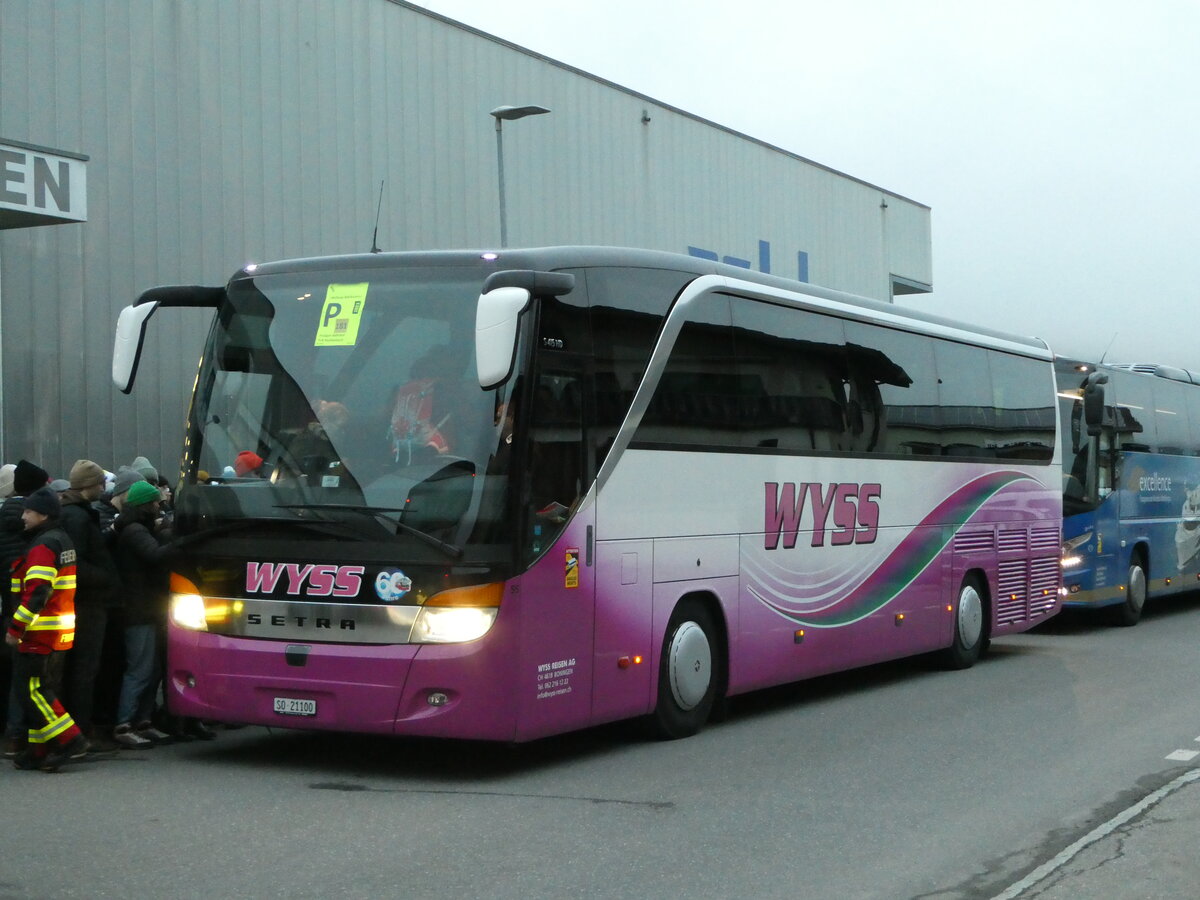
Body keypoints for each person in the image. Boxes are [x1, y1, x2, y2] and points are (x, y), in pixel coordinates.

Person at [7, 486, 89, 771]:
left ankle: (70, 739)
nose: (24, 517)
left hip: (39, 631)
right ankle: (38, 749)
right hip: (58, 629)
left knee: (31, 691)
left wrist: (15, 628)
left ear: (43, 515)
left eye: (28, 511)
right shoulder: (60, 540)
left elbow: (38, 591)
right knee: (40, 689)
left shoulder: (43, 545)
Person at [59, 459, 122, 751]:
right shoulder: (77, 517)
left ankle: (78, 730)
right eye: (99, 483)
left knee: (81, 669)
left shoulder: (76, 513)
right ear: (88, 486)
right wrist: (107, 577)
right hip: (88, 604)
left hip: (84, 602)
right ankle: (80, 732)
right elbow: (76, 563)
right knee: (85, 669)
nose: (103, 487)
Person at [112, 480, 173, 748]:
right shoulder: (135, 531)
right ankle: (124, 723)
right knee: (140, 669)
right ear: (146, 504)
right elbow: (155, 555)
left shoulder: (134, 528)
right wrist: (179, 541)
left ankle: (142, 720)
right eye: (156, 502)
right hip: (139, 610)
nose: (160, 506)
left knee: (153, 668)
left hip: (147, 607)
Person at [1, 459, 49, 758]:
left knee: (19, 672)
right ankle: (25, 734)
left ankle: (16, 735)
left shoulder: (4, 515)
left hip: (9, 601)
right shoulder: (31, 526)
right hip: (28, 605)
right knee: (29, 675)